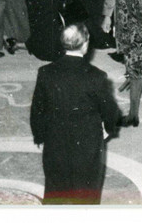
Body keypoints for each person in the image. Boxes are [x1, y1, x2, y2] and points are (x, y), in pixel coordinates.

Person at [30, 22, 121, 205]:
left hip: (55, 140)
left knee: (56, 189)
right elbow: (111, 111)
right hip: (86, 142)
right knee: (86, 191)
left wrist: (39, 136)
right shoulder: (96, 76)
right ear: (85, 45)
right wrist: (108, 129)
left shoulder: (45, 72)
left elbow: (37, 110)